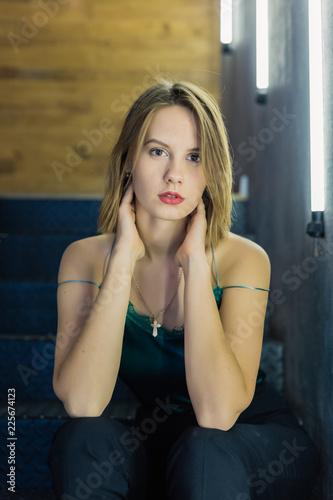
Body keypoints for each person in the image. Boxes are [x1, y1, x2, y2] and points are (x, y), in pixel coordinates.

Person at [47, 79, 319, 499]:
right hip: (163, 441)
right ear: (128, 161)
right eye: (158, 151)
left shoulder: (243, 259)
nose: (175, 174)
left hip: (249, 442)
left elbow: (216, 413)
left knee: (205, 449)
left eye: (195, 157)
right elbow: (83, 402)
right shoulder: (84, 258)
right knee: (82, 439)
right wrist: (121, 261)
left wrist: (193, 263)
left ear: (211, 172)